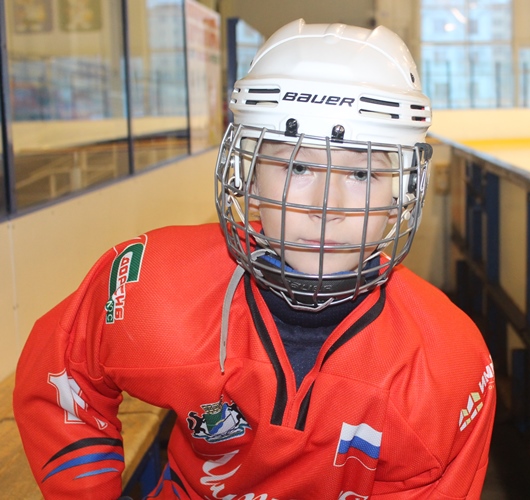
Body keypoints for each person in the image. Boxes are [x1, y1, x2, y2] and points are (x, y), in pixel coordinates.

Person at [13, 19, 495, 499]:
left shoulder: (447, 364)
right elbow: (66, 366)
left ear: (402, 190)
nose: (326, 207)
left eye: (362, 174)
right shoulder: (155, 288)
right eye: (298, 166)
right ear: (248, 174)